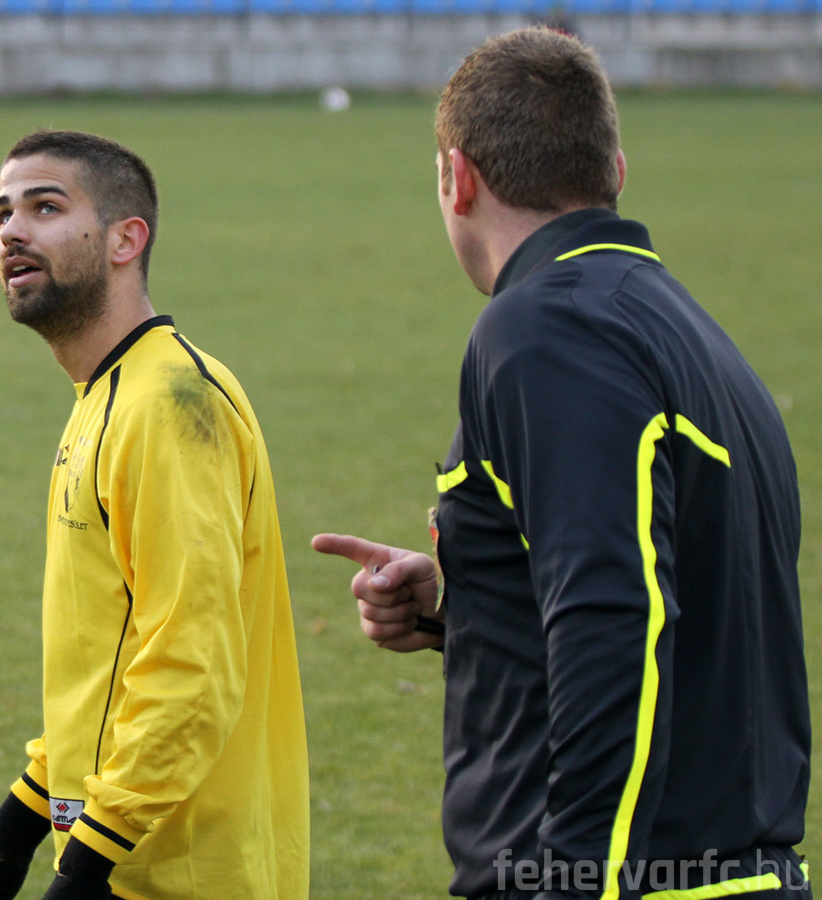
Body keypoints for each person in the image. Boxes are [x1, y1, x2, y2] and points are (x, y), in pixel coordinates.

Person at [313, 27, 809, 899]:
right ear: (615, 169)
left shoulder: (548, 328)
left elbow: (615, 620)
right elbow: (672, 586)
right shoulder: (690, 334)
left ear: (457, 178)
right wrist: (468, 603)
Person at [0, 130, 309, 900]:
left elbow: (190, 665)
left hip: (180, 872)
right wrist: (13, 829)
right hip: (128, 855)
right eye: (2, 214)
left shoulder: (169, 406)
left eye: (45, 207)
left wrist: (88, 865)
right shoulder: (108, 396)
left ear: (124, 239)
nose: (11, 232)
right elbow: (110, 664)